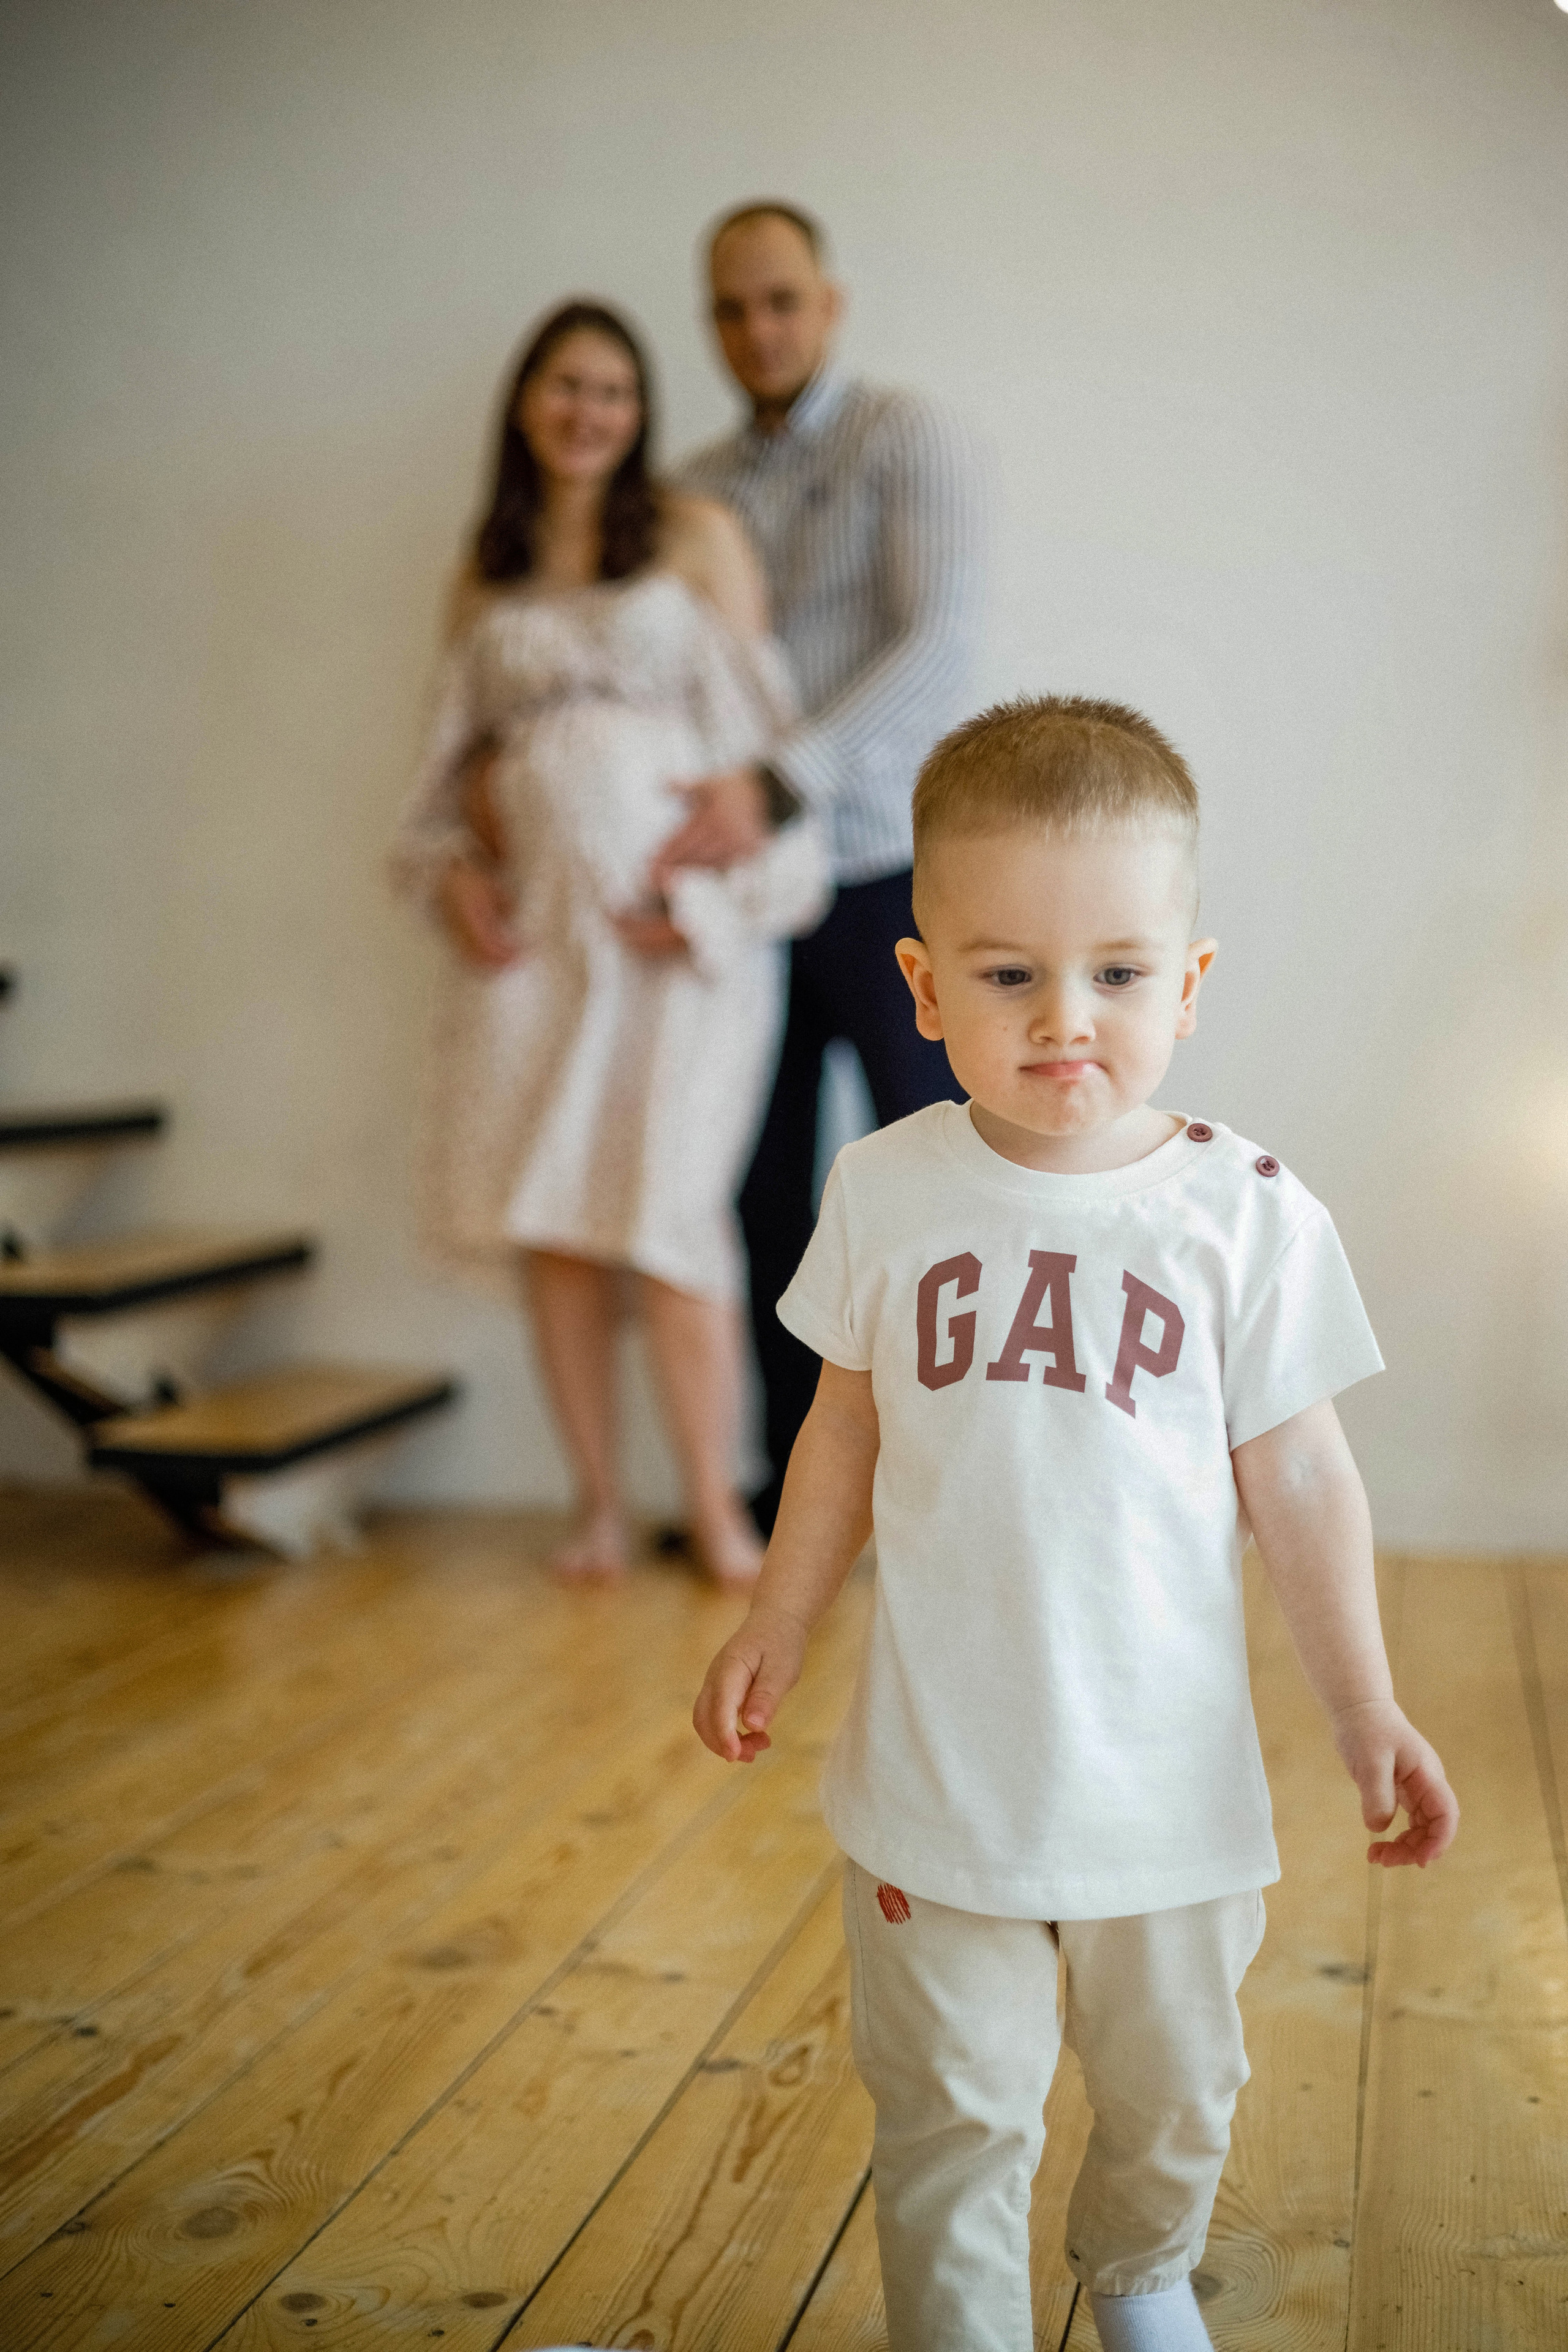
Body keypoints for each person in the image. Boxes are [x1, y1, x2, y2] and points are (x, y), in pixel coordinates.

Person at [693, 696, 1458, 2351]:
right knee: (952, 2108)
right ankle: (957, 2322)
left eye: (1117, 973)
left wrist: (1366, 1709)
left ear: (1187, 983)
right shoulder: (889, 1189)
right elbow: (839, 1431)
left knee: (1177, 2091)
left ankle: (1139, 2269)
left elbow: (1308, 1479)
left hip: (1168, 1789)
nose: (1065, 1020)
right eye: (1008, 973)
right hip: (937, 1779)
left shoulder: (1242, 1213)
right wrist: (774, 1616)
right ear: (922, 986)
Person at [391, 300, 829, 1587]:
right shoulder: (484, 571)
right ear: (525, 402)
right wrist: (454, 875)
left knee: (673, 1214)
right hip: (538, 954)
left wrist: (713, 893)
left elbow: (763, 737)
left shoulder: (697, 536)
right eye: (564, 386)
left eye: (613, 392)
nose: (587, 411)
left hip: (681, 944)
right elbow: (443, 773)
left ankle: (714, 1511)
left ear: (640, 415)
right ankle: (593, 1504)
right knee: (558, 1225)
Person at [665, 201, 987, 1529]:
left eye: (780, 300)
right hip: (749, 896)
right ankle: (801, 1488)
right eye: (733, 309)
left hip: (884, 870)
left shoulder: (898, 434)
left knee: (935, 1174)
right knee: (757, 1190)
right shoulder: (686, 491)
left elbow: (934, 644)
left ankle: (950, 1479)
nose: (759, 329)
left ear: (829, 302)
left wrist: (781, 778)